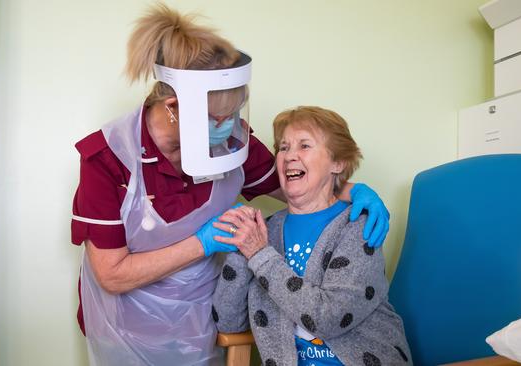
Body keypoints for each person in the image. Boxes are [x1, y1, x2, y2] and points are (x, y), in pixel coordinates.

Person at [70, 5, 390, 365]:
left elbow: (298, 185)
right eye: (217, 119)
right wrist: (204, 242)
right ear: (175, 107)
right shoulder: (108, 159)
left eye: (235, 114)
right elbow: (111, 275)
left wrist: (353, 190)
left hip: (199, 323)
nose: (229, 127)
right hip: (125, 327)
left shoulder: (232, 143)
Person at [212, 106, 411, 366]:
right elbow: (227, 321)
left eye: (304, 146)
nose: (289, 156)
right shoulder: (264, 232)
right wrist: (242, 248)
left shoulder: (357, 226)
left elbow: (327, 318)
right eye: (283, 148)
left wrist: (259, 255)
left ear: (337, 163)